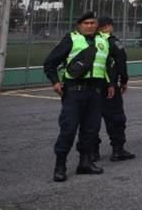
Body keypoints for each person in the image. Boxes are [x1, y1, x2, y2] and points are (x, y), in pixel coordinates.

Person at [43, 11, 115, 182]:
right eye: (86, 23)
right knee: (68, 129)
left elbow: (108, 64)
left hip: (96, 92)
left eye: (92, 23)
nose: (90, 26)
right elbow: (50, 63)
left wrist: (111, 83)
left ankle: (85, 163)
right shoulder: (71, 39)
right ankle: (60, 166)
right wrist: (55, 82)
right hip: (74, 91)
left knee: (91, 130)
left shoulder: (103, 40)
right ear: (79, 25)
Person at [94, 16, 134, 162]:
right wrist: (123, 81)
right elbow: (121, 62)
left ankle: (92, 152)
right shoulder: (112, 42)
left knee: (91, 119)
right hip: (108, 85)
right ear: (107, 27)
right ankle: (118, 150)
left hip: (91, 86)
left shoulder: (89, 40)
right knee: (115, 117)